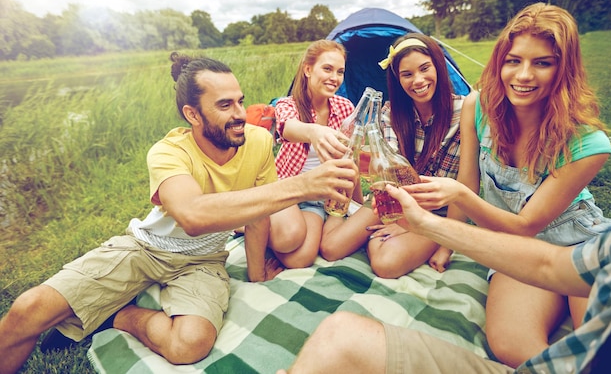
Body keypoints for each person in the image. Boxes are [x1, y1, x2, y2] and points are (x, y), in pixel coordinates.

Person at [0, 53, 358, 373]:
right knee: (28, 309)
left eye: (240, 101)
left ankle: (112, 316)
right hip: (145, 249)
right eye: (224, 105)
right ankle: (87, 308)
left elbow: (257, 213)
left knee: (189, 345)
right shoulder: (167, 151)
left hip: (203, 260)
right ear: (192, 114)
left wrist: (256, 273)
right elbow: (193, 215)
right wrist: (302, 186)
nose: (239, 115)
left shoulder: (259, 142)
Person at [400, 2, 611, 367]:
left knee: (600, 340)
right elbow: (468, 180)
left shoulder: (589, 143)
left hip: (579, 241)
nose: (524, 75)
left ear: (564, 68)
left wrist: (458, 197)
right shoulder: (478, 107)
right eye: (514, 60)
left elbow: (526, 223)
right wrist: (446, 244)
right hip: (512, 247)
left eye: (542, 63)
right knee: (510, 343)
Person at [277, 184, 611, 374]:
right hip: (537, 253)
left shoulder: (462, 113)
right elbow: (552, 266)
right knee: (337, 334)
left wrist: (447, 211)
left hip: (564, 230)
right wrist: (429, 227)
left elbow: (528, 227)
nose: (523, 76)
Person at [320, 33, 465, 278]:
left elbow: (465, 183)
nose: (418, 80)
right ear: (397, 79)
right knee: (330, 248)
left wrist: (444, 245)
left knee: (386, 264)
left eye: (424, 69)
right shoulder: (390, 113)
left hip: (436, 212)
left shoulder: (464, 111)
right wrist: (400, 222)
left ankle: (376, 236)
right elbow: (389, 175)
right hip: (393, 201)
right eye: (407, 74)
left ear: (438, 67)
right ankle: (344, 210)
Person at [270, 39, 359, 268]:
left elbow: (350, 158)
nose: (334, 78)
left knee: (302, 258)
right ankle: (253, 224)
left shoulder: (345, 107)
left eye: (340, 72)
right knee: (289, 240)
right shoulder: (288, 105)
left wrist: (356, 203)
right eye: (327, 69)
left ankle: (264, 227)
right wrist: (315, 132)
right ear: (308, 69)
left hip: (319, 198)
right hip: (290, 190)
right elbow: (288, 129)